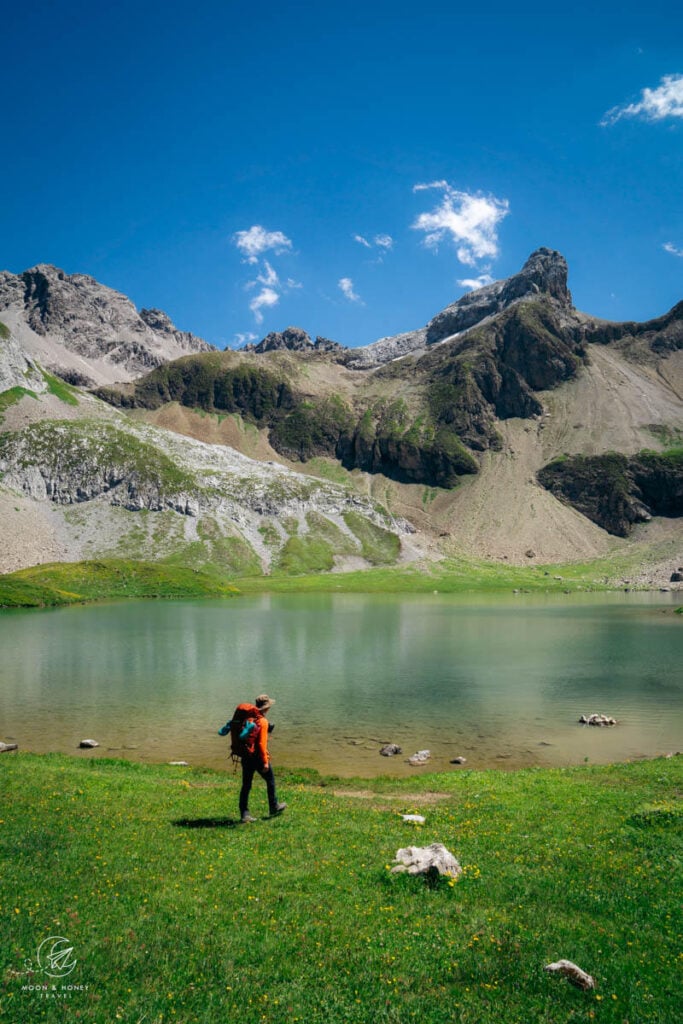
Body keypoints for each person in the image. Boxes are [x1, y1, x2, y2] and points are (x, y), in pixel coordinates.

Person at [239, 694, 286, 823]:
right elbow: (261, 744)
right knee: (270, 780)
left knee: (246, 785)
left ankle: (244, 814)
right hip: (258, 758)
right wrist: (265, 762)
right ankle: (274, 806)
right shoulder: (263, 721)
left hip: (246, 756)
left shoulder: (248, 719)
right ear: (267, 708)